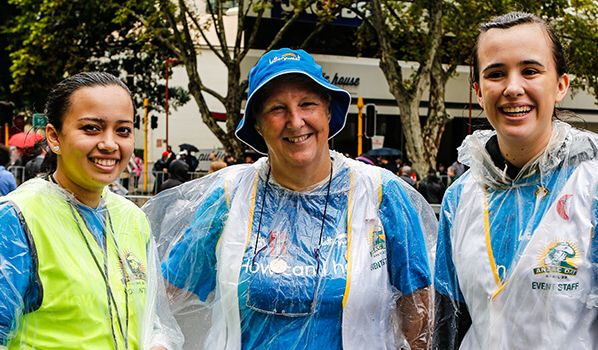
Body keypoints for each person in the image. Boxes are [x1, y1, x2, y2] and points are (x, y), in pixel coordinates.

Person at [144, 48, 436, 349]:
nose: (296, 121)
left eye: (307, 104)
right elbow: (163, 296)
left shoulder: (380, 194)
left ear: (328, 112)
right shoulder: (230, 198)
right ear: (257, 124)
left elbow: (418, 313)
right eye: (277, 109)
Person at [433, 12, 598, 349]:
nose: (513, 88)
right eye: (496, 74)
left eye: (530, 71)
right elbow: (448, 323)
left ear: (561, 85)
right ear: (478, 90)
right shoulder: (460, 198)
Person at [0, 72, 181, 349]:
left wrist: (158, 343)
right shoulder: (13, 220)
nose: (109, 143)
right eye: (91, 128)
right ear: (54, 136)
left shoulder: (132, 218)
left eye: (123, 130)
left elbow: (153, 321)